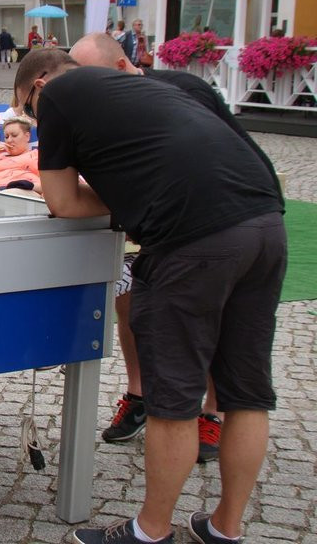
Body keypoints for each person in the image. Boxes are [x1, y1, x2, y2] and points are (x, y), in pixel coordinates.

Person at [15, 48, 285, 544]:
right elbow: (251, 156)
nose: (35, 120)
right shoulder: (164, 84)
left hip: (191, 242)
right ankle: (227, 527)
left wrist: (127, 198)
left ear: (40, 84)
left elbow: (62, 200)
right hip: (265, 222)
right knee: (246, 392)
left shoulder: (56, 94)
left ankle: (150, 532)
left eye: (28, 112)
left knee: (173, 400)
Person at [69, 32, 282, 460]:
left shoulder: (184, 88)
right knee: (128, 296)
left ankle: (212, 411)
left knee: (215, 323)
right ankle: (139, 393)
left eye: (91, 78)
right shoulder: (95, 107)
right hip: (146, 228)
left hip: (206, 226)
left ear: (120, 68)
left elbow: (232, 152)